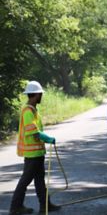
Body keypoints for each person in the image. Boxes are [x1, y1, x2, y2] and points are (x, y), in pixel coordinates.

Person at [9, 81, 61, 215]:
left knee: (39, 181)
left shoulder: (33, 110)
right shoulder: (27, 111)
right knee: (25, 181)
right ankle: (15, 207)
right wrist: (48, 138)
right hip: (32, 155)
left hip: (37, 153)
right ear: (36, 94)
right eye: (40, 94)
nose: (41, 96)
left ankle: (45, 206)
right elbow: (33, 132)